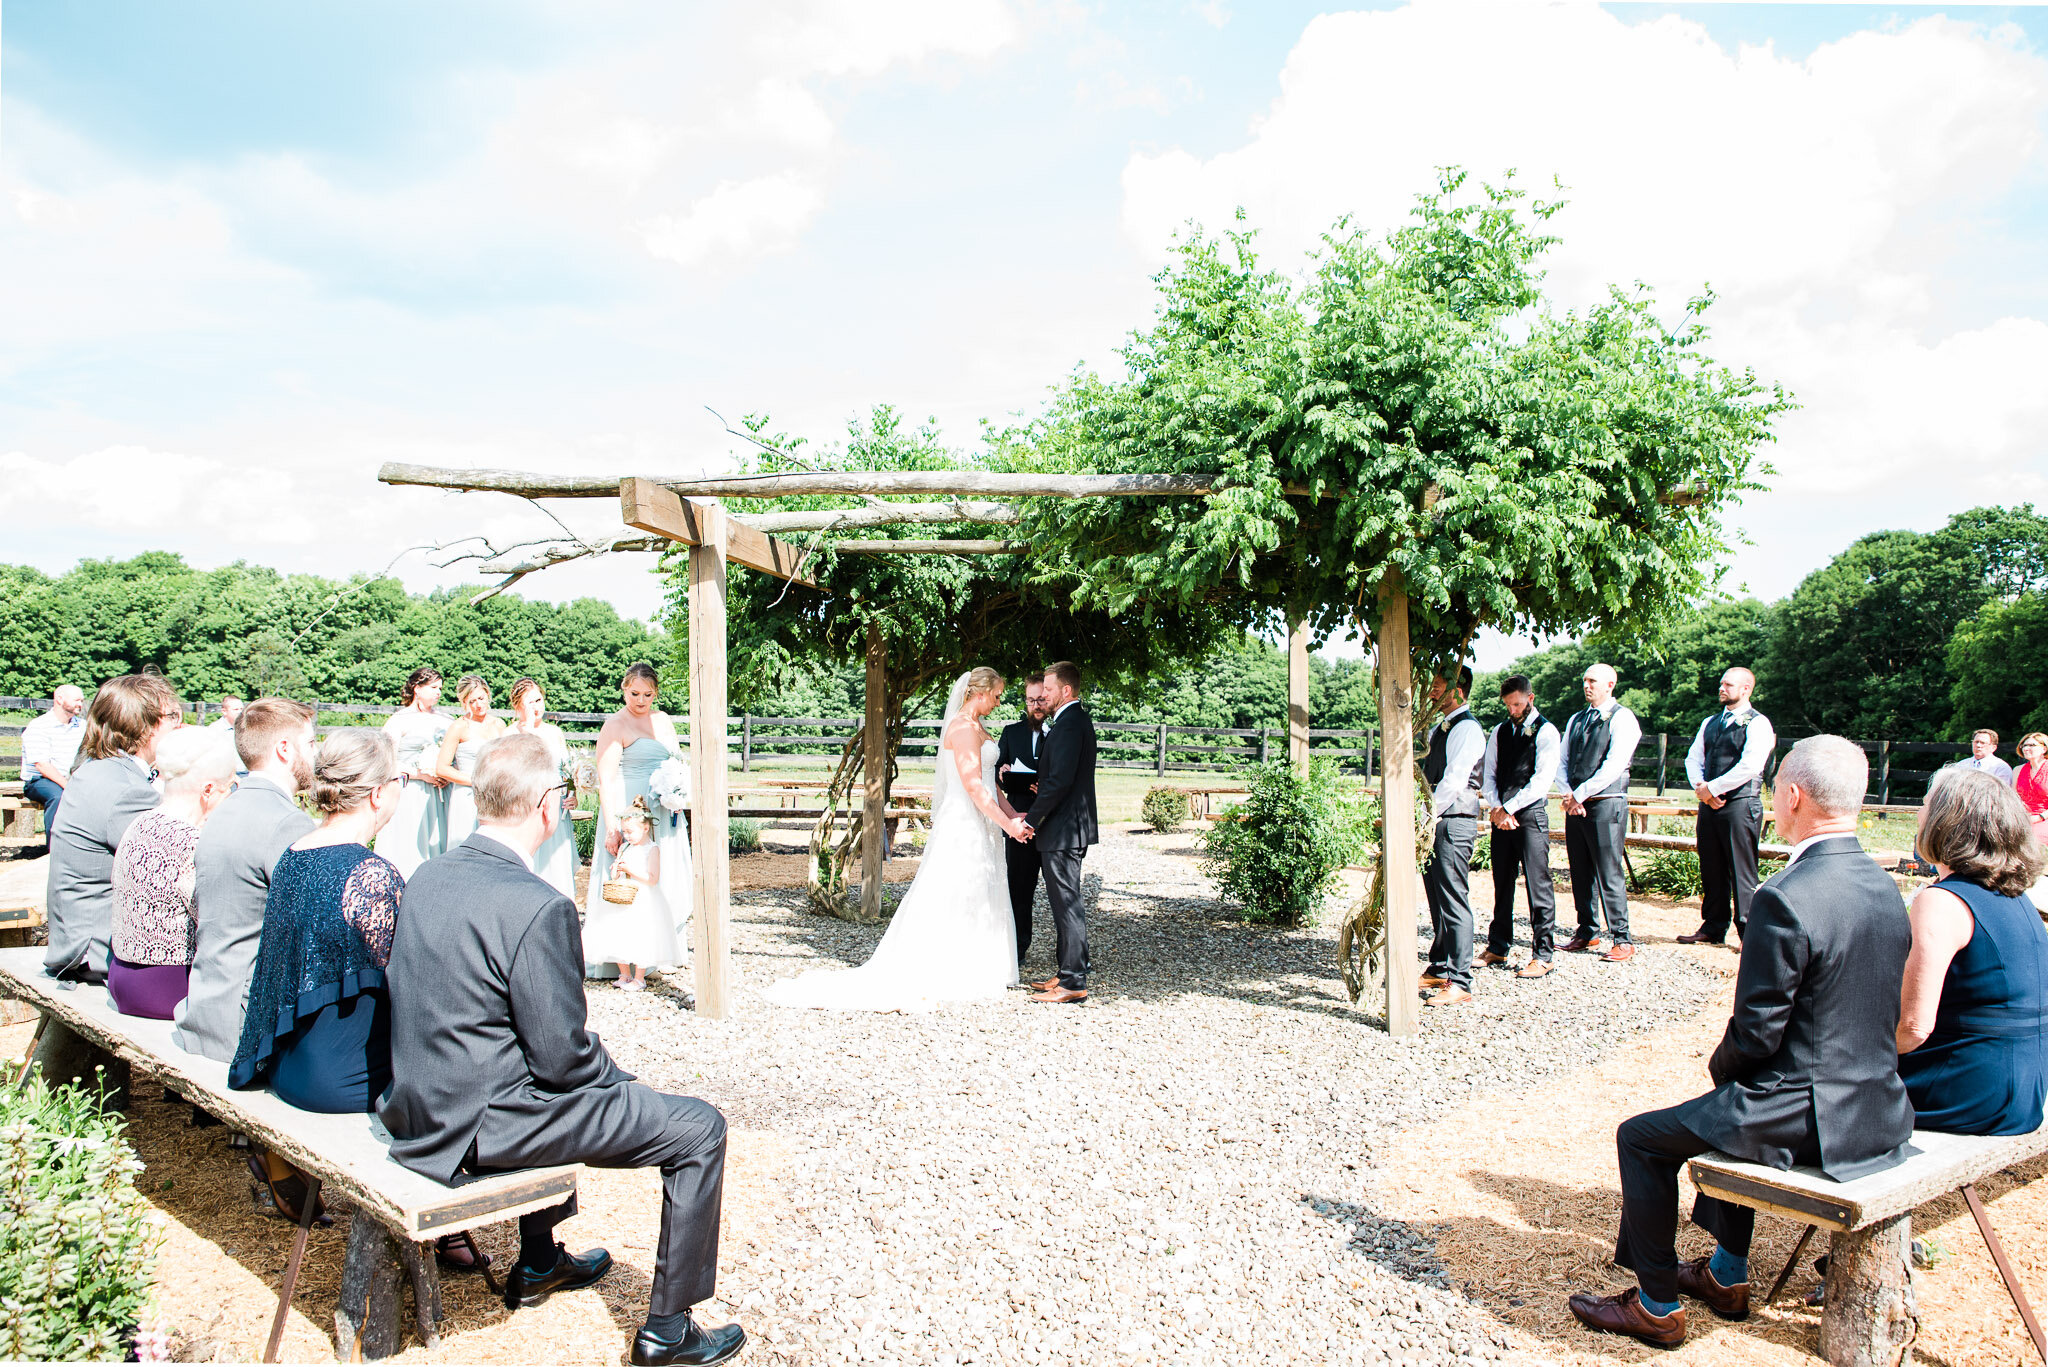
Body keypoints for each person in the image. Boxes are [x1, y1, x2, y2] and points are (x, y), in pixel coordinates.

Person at [380, 734, 745, 1366]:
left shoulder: (427, 876)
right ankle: (668, 1331)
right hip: (483, 1124)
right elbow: (562, 1060)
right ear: (549, 806)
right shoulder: (538, 905)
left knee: (563, 1085)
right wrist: (621, 1079)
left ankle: (542, 1258)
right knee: (699, 1127)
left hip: (418, 1102)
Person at [1567, 736, 1914, 1350]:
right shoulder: (1886, 886)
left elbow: (1755, 1034)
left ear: (1792, 796)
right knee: (1730, 1104)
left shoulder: (1784, 896)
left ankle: (1656, 1305)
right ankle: (1725, 1274)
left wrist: (1722, 1068)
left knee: (1643, 1137)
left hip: (1804, 1113)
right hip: (1878, 1110)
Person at [765, 668, 1027, 1011]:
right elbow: (974, 787)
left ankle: (979, 964)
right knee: (956, 889)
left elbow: (991, 784)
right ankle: (949, 967)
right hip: (964, 822)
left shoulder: (980, 727)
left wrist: (1011, 815)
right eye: (996, 695)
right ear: (979, 693)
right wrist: (1007, 826)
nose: (998, 701)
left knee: (983, 887)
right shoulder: (963, 728)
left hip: (985, 822)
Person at [229, 731, 407, 1113]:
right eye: (399, 779)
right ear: (377, 793)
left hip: (288, 1063)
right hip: (344, 1077)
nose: (401, 789)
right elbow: (406, 981)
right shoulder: (372, 874)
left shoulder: (293, 854)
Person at [1896, 770, 2048, 1136]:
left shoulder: (1941, 901)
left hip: (1970, 1088)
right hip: (2025, 1085)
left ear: (1946, 823)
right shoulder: (2015, 895)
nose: (1919, 814)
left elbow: (1914, 1028)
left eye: (1926, 805)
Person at [173, 699, 319, 1062]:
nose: (317, 754)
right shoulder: (287, 823)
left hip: (204, 1004)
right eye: (312, 743)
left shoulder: (224, 809)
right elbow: (309, 932)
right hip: (245, 1022)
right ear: (285, 749)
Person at [44, 675, 181, 983]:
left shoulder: (97, 770)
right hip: (95, 950)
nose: (178, 726)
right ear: (147, 726)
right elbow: (178, 868)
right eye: (171, 717)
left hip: (74, 936)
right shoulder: (125, 790)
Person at [108, 729, 238, 1019]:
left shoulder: (140, 823)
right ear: (207, 790)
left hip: (121, 976)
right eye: (229, 786)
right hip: (166, 987)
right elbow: (213, 920)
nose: (231, 794)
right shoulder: (193, 841)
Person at [585, 663, 693, 981]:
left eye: (648, 694)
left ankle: (662, 951)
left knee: (665, 873)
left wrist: (678, 794)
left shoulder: (663, 721)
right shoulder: (615, 725)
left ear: (655, 693)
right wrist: (612, 827)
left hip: (664, 811)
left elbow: (675, 762)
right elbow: (606, 780)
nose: (641, 700)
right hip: (630, 812)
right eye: (634, 693)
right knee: (631, 879)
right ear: (624, 689)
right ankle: (622, 957)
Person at [1678, 668, 1778, 948]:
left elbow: (1750, 765)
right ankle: (1713, 926)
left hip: (1740, 805)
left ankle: (1749, 933)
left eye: (1728, 684)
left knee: (1741, 871)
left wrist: (1713, 788)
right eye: (1721, 683)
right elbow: (1693, 758)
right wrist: (1702, 789)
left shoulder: (1758, 723)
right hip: (1710, 804)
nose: (1721, 688)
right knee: (1711, 866)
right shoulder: (1709, 722)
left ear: (1746, 689)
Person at [1021, 660, 1100, 1005]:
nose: (1044, 695)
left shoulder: (1069, 724)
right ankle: (1068, 970)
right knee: (1064, 904)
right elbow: (1061, 775)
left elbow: (1061, 781)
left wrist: (1031, 819)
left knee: (1068, 905)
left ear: (1065, 690)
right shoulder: (1071, 720)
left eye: (1049, 689)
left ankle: (1073, 981)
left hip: (1064, 829)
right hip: (1067, 826)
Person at [1556, 663, 1642, 963]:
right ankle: (1587, 930)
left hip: (1606, 803)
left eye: (1592, 681)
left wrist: (1580, 793)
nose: (1586, 685)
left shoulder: (1623, 718)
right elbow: (1562, 760)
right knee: (1580, 870)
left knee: (1609, 870)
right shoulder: (1577, 719)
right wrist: (1569, 792)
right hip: (1576, 804)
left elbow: (1614, 764)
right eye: (1584, 680)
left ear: (1610, 684)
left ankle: (1622, 937)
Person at [1479, 675, 1560, 980]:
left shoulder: (1547, 732)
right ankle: (1498, 945)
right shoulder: (1499, 731)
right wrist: (1497, 807)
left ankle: (1543, 953)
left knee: (1538, 884)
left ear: (1530, 698)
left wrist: (1510, 808)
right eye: (1508, 704)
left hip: (1529, 815)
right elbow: (1489, 774)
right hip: (1502, 814)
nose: (1513, 709)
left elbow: (1542, 780)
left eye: (1517, 703)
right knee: (1502, 881)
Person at [1419, 668, 1484, 1008]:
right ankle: (1440, 965)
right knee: (1436, 897)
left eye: (1438, 687)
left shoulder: (1468, 729)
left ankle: (1460, 980)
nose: (1431, 693)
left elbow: (1454, 780)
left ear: (1458, 691)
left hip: (1454, 820)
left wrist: (1427, 812)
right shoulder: (1438, 728)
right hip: (1437, 820)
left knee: (1454, 899)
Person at [584, 799, 678, 993]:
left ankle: (639, 977)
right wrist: (617, 870)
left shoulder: (651, 849)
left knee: (641, 935)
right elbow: (617, 872)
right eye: (624, 832)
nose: (626, 836)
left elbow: (652, 878)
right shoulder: (625, 847)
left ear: (645, 828)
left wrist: (630, 869)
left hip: (643, 898)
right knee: (619, 932)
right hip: (622, 897)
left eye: (630, 832)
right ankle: (624, 974)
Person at [507, 676, 580, 899]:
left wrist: (572, 792)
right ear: (517, 705)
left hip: (556, 807)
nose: (537, 707)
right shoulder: (510, 733)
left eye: (539, 700)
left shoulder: (555, 733)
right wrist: (527, 729)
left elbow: (565, 770)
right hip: (526, 807)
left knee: (556, 864)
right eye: (530, 702)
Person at [996, 671, 1049, 968]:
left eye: (1041, 699)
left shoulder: (1058, 732)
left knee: (1059, 892)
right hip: (1018, 822)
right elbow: (994, 774)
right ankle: (1018, 950)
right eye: (1031, 700)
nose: (1036, 705)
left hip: (1053, 821)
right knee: (1018, 888)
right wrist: (1003, 774)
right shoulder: (1011, 732)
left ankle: (1066, 955)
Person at [374, 667, 448, 879]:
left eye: (440, 688)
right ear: (417, 688)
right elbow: (386, 760)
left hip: (436, 792)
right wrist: (420, 774)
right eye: (433, 687)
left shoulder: (444, 720)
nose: (438, 692)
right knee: (407, 842)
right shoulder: (400, 720)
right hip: (409, 789)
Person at [437, 675, 504, 850]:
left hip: (493, 794)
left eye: (481, 698)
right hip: (466, 794)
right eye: (471, 701)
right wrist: (474, 781)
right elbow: (442, 768)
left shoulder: (499, 725)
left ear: (488, 694)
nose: (478, 705)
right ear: (464, 702)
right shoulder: (459, 726)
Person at [19, 684, 86, 852]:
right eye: (77, 700)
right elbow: (42, 765)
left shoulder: (83, 726)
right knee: (58, 797)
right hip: (40, 780)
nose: (81, 704)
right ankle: (54, 851)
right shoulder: (39, 726)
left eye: (82, 700)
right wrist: (68, 786)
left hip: (72, 778)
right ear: (59, 699)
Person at [2013, 733, 2048, 841]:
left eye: (2032, 745)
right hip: (2021, 817)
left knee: (2034, 837)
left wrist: (2039, 817)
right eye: (2024, 745)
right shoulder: (2017, 770)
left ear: (2044, 749)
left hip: (2044, 817)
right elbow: (2013, 799)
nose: (2026, 748)